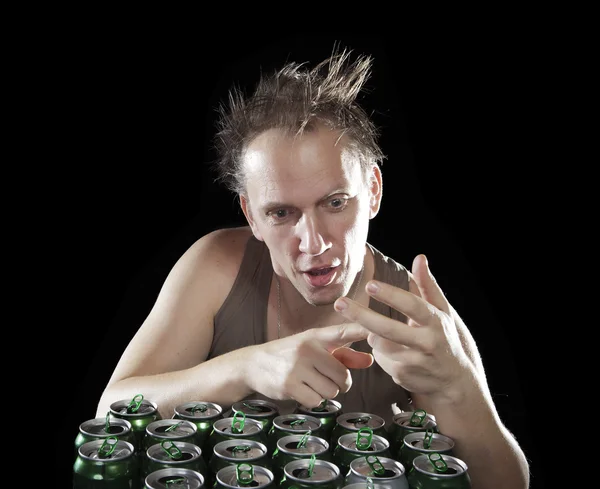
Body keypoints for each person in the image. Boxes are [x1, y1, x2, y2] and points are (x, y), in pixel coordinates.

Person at [95, 46, 530, 488]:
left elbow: (510, 484)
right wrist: (244, 367)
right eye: (281, 213)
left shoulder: (414, 310)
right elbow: (109, 411)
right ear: (251, 216)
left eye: (336, 203)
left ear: (374, 191)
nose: (314, 242)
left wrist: (457, 387)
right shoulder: (215, 266)